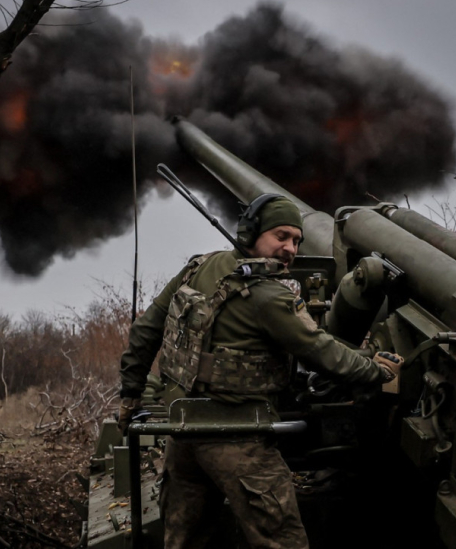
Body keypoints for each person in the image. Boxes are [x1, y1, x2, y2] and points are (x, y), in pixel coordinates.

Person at [118, 194, 402, 549]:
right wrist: (376, 371)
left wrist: (130, 394)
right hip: (239, 441)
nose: (290, 248)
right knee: (283, 541)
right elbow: (322, 352)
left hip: (183, 434)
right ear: (250, 233)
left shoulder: (198, 267)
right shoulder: (270, 296)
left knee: (184, 541)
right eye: (281, 236)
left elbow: (146, 330)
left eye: (296, 240)